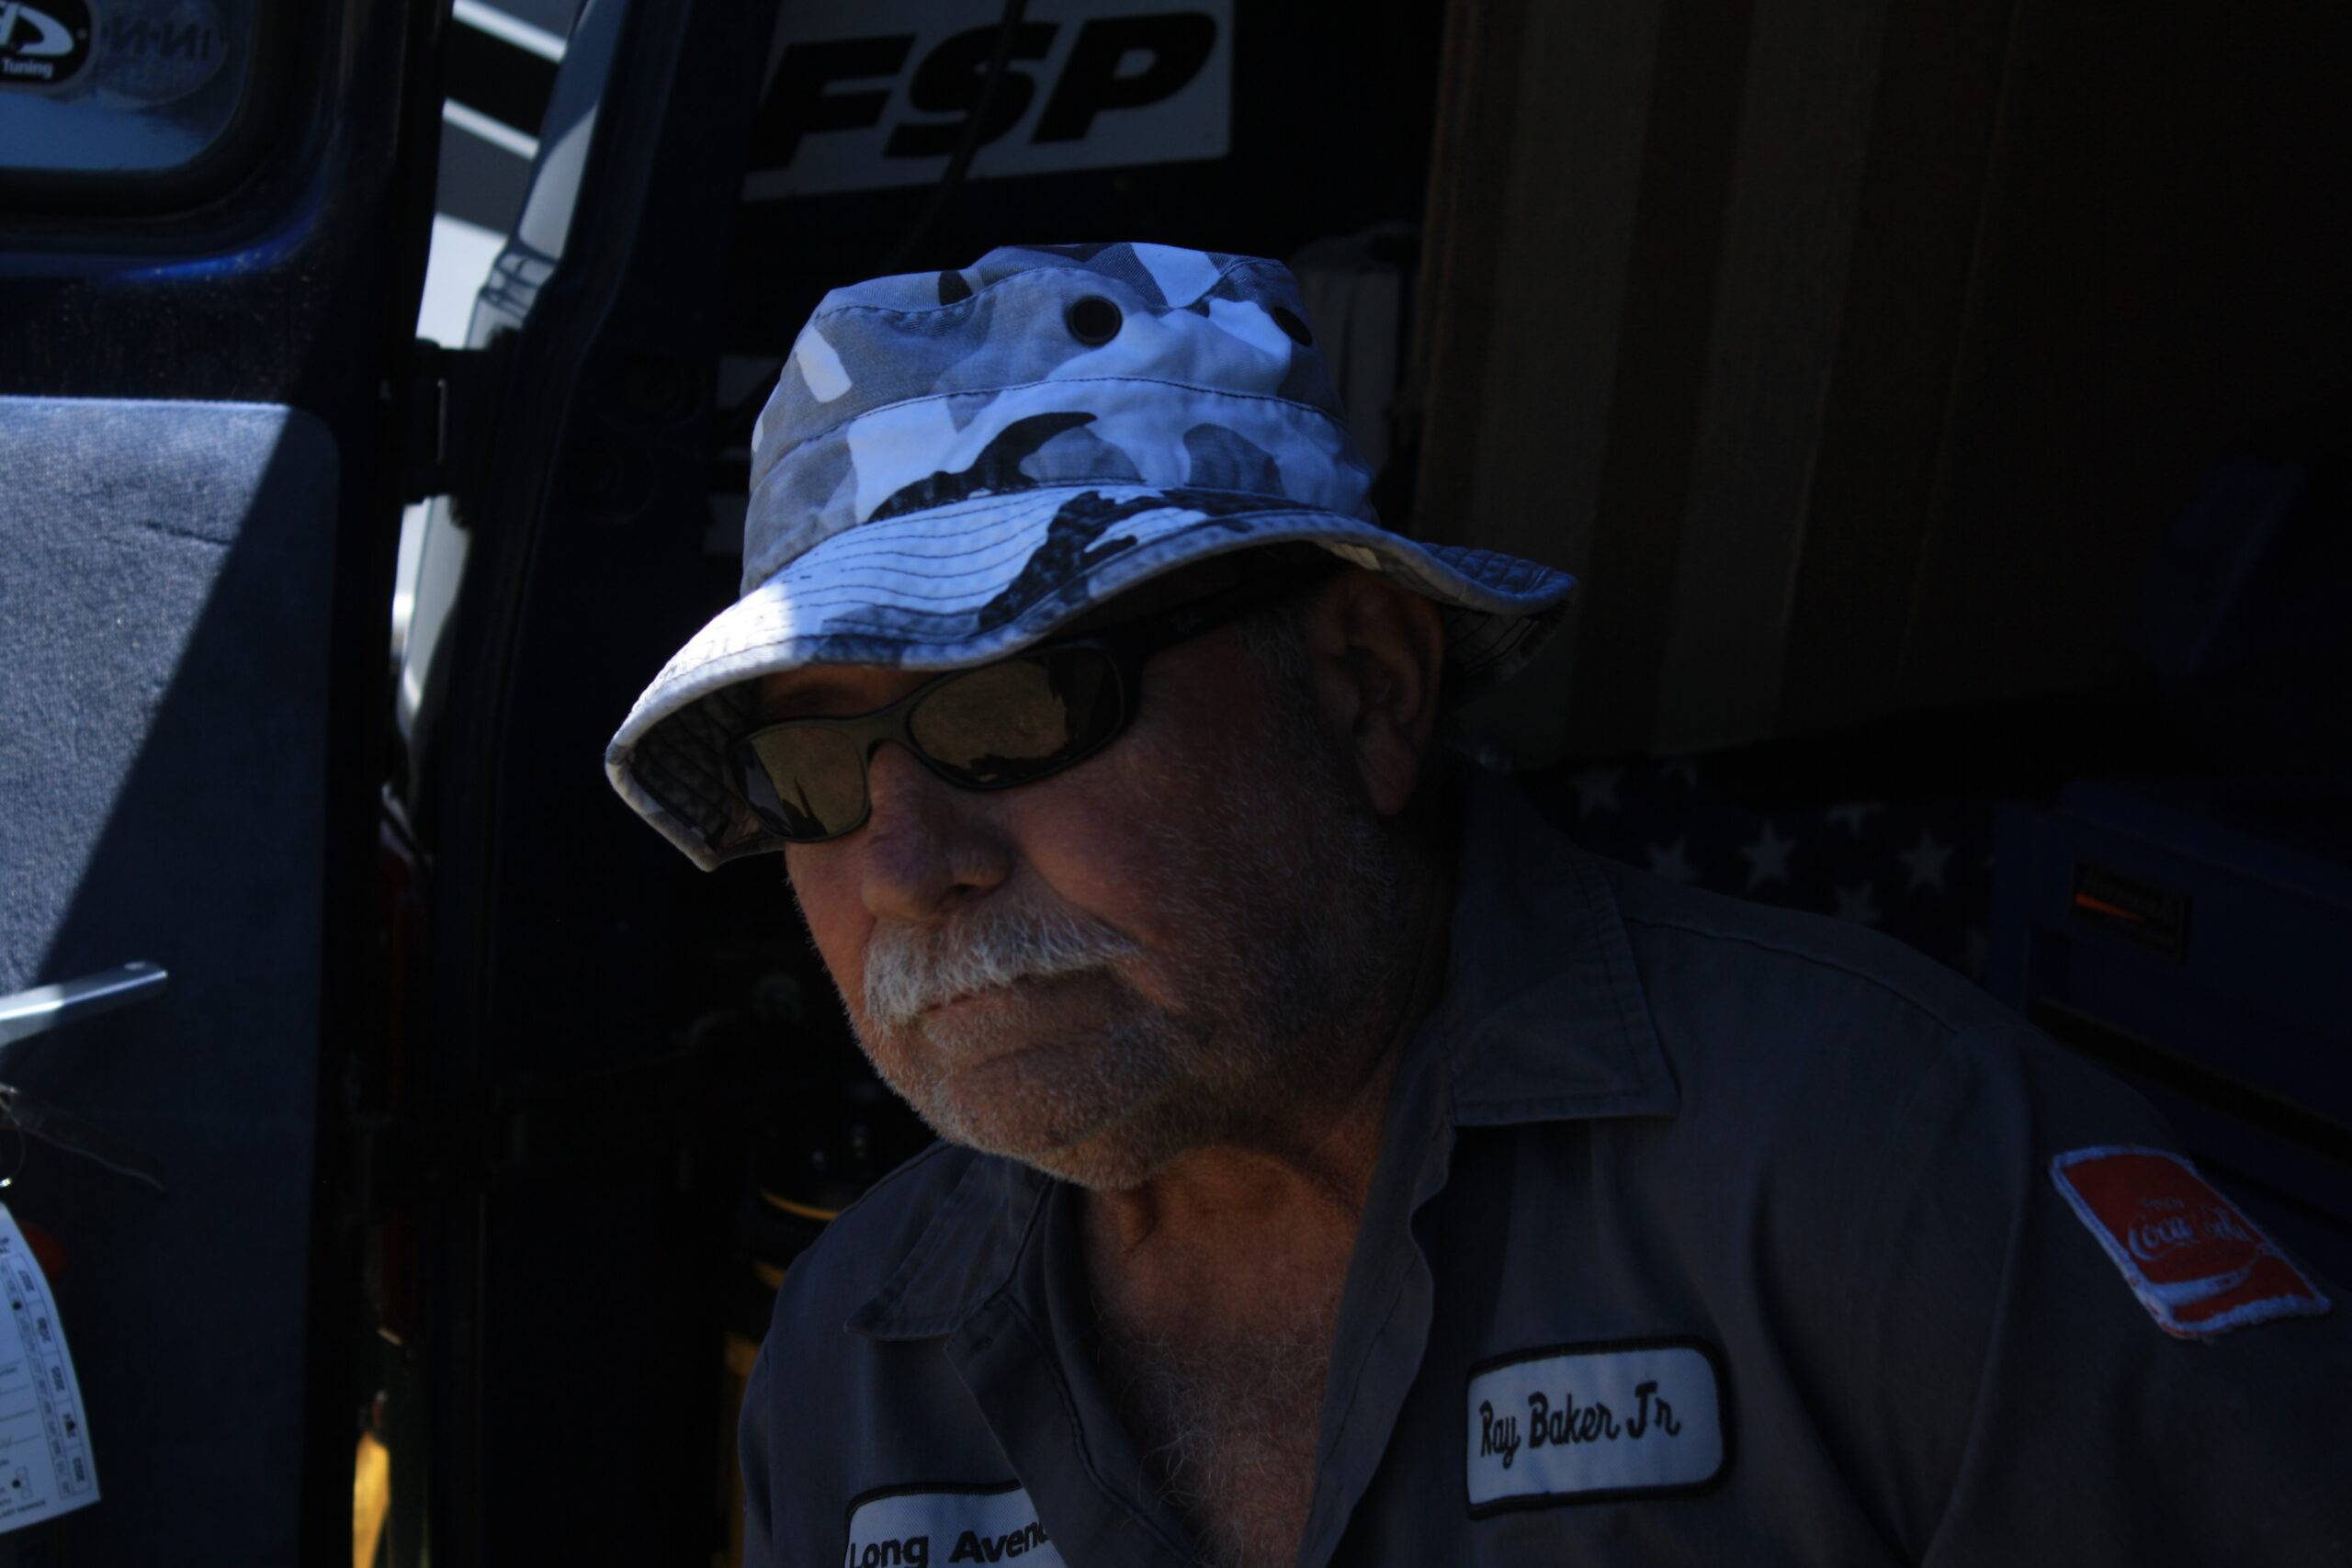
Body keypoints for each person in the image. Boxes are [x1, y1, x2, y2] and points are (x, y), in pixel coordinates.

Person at [605, 243, 2351, 1568]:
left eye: (1014, 708)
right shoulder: (857, 1351)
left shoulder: (1889, 1169)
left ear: (1366, 687)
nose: (907, 865)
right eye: (809, 770)